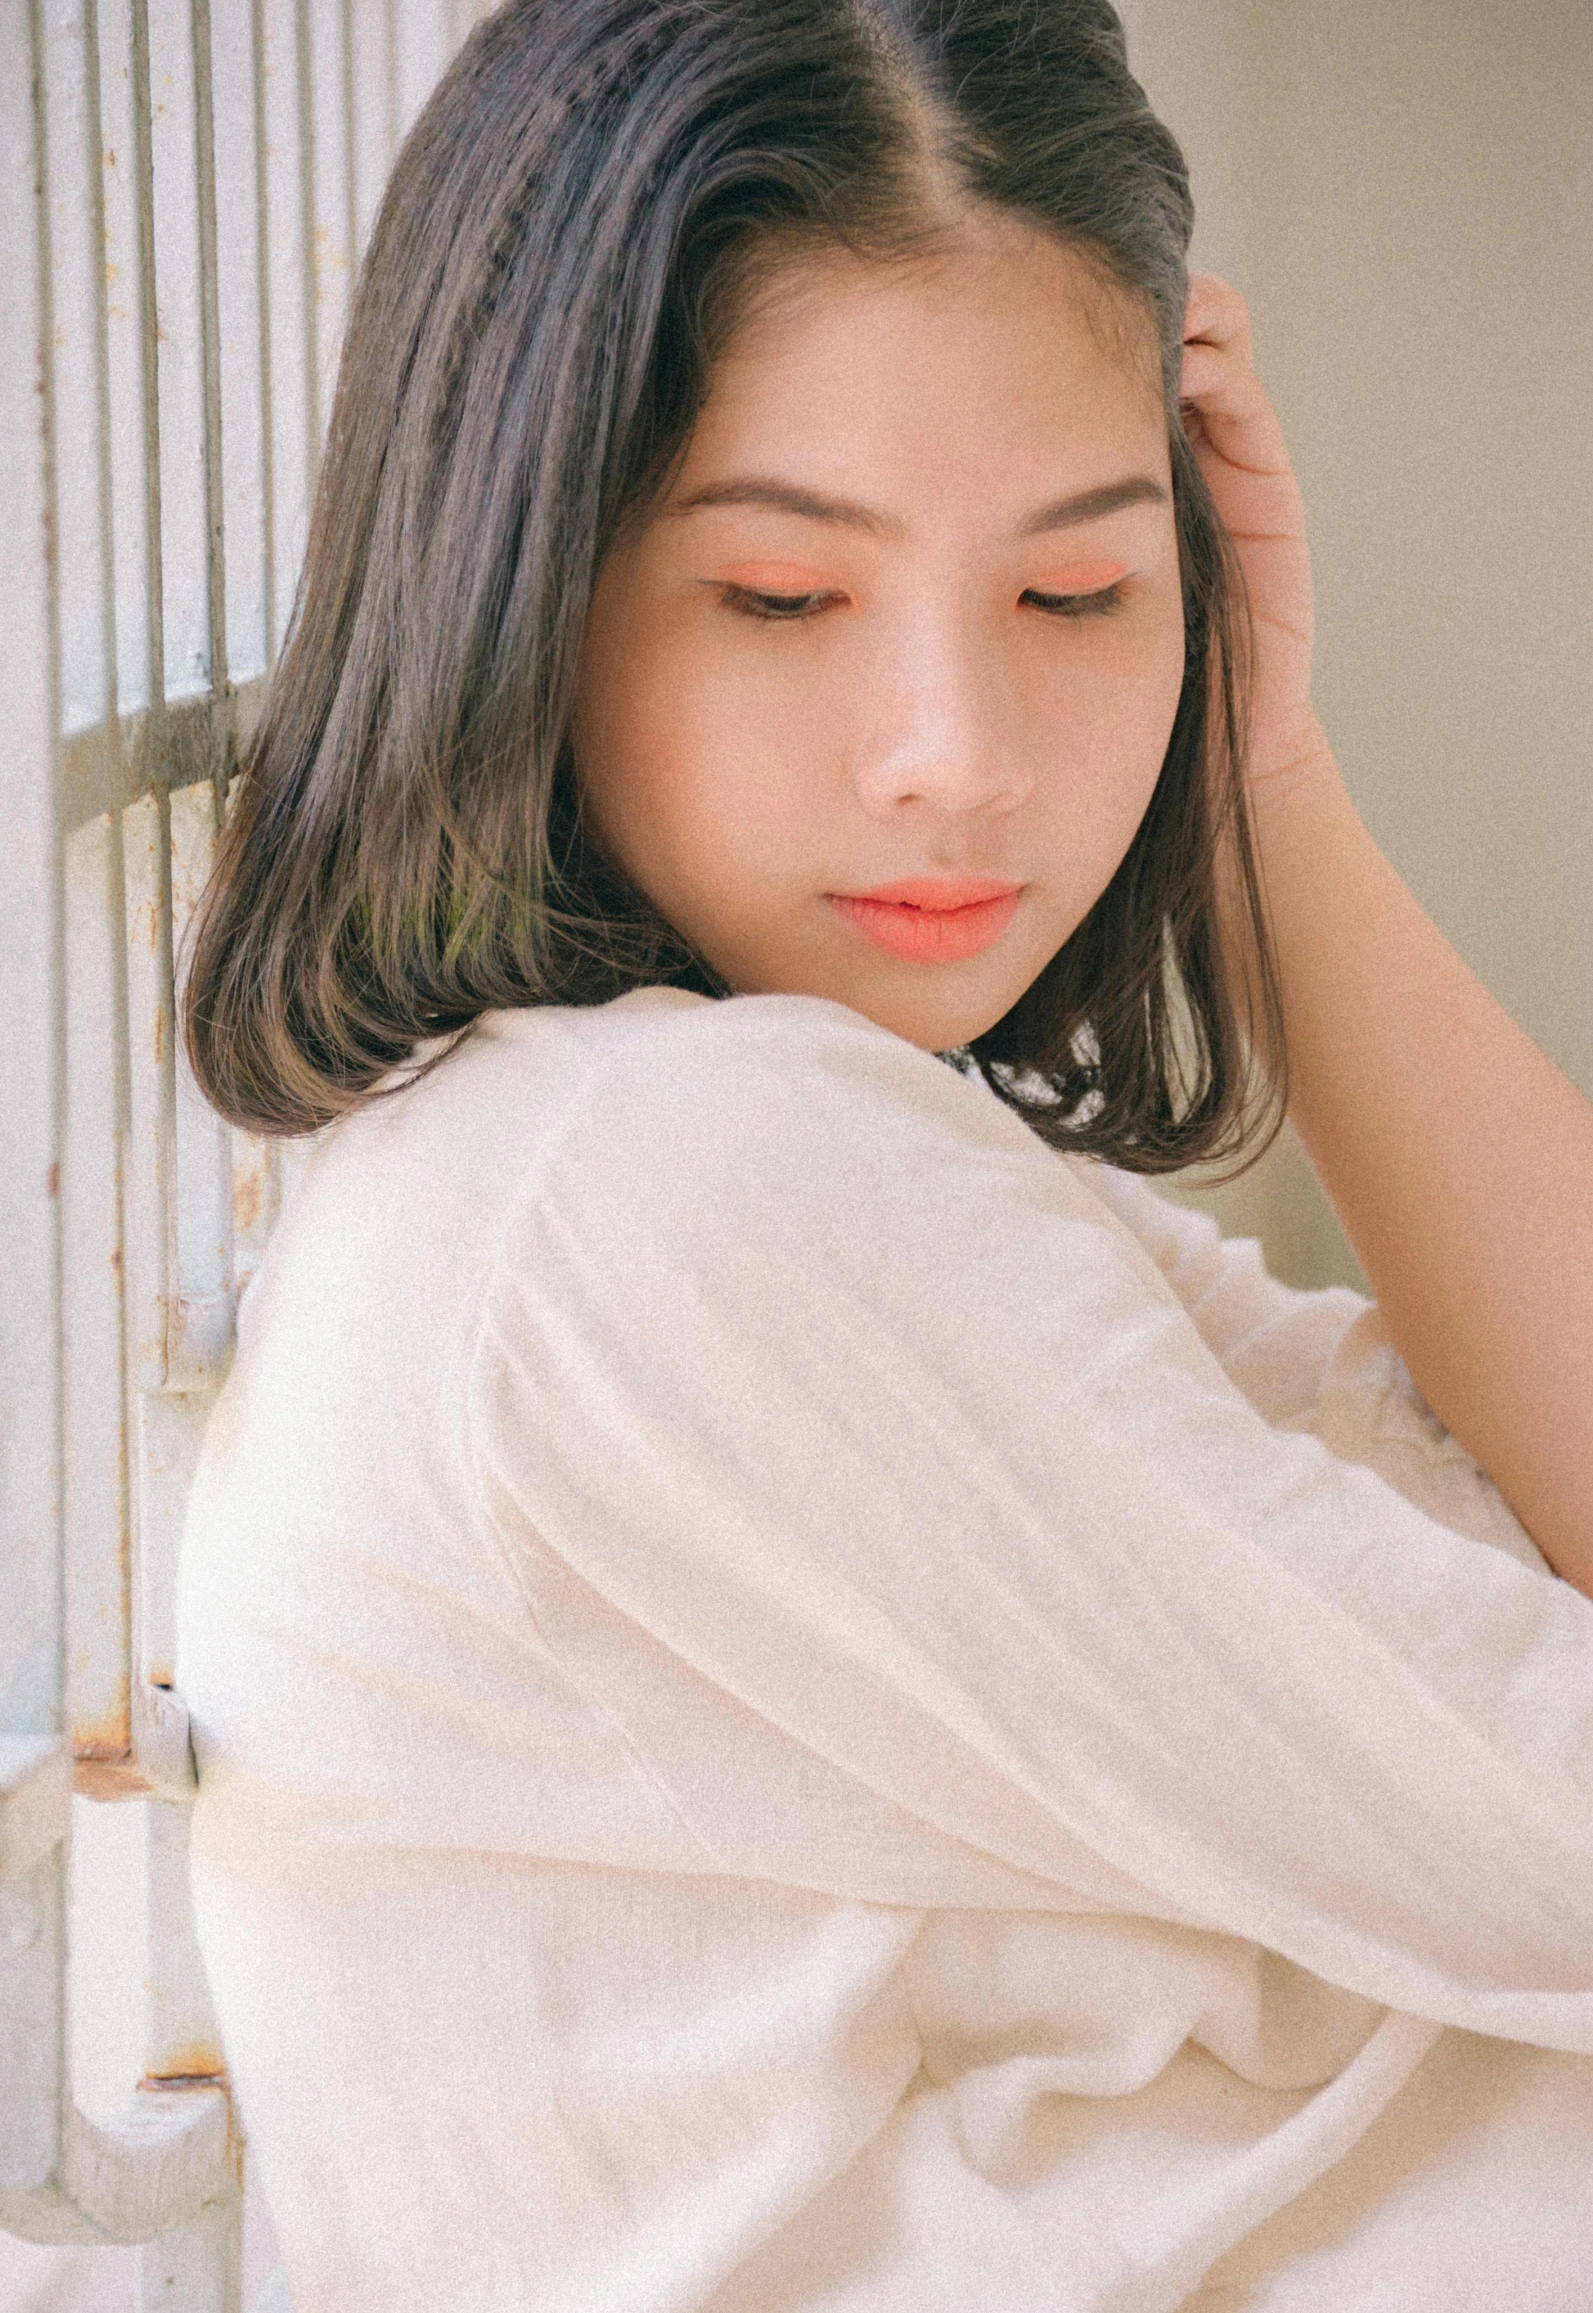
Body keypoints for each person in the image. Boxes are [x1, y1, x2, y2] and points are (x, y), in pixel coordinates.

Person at [173, 2, 1593, 2306]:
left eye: (1076, 590)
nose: (958, 754)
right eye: (779, 593)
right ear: (521, 564)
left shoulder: (695, 1146)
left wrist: (1264, 789)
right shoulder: (662, 1187)